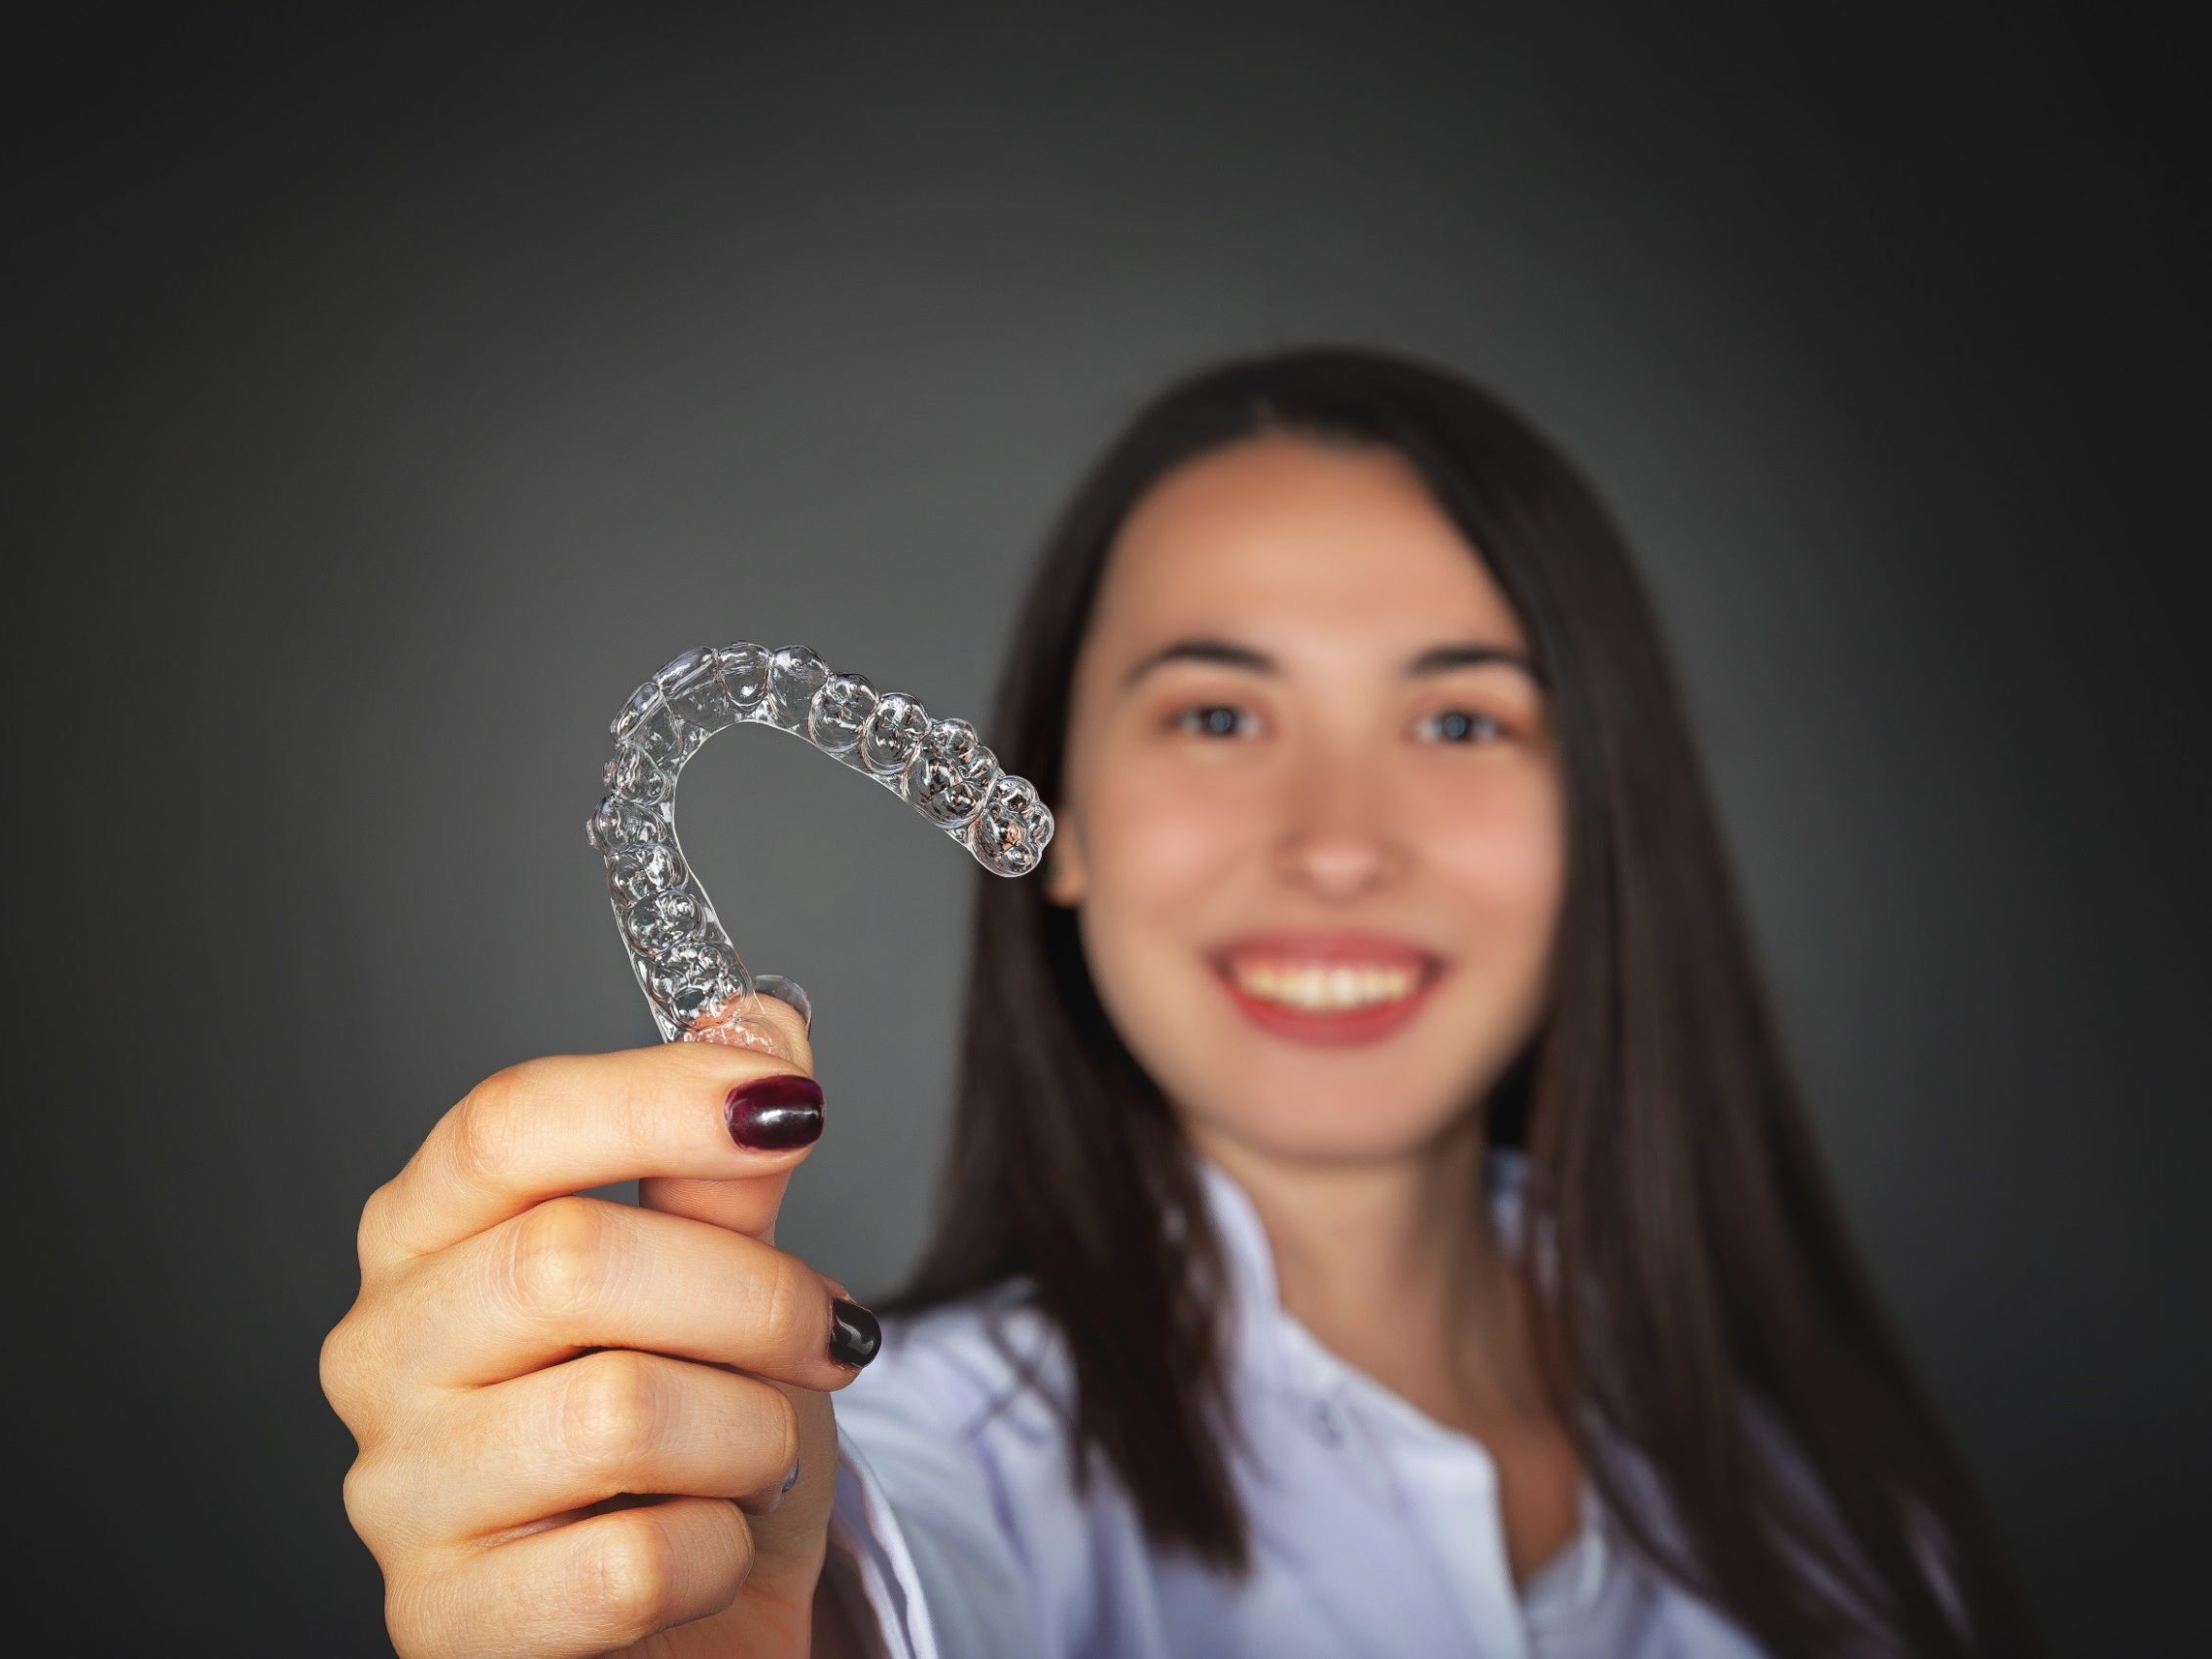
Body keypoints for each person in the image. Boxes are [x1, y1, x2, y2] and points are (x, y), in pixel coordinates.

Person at [320, 348, 2044, 1657]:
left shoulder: (1834, 1507)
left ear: (1605, 813)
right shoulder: (926, 1461)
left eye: (1460, 721)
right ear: (1056, 816)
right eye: (1218, 716)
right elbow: (865, 1583)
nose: (1338, 845)